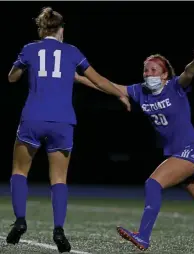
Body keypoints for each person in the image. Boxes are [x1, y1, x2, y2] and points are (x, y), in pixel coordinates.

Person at [75, 45, 194, 251]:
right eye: (146, 70)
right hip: (176, 154)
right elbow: (106, 85)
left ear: (165, 75)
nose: (148, 74)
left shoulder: (175, 87)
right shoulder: (140, 91)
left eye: (153, 70)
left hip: (189, 150)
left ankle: (143, 237)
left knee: (153, 184)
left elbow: (188, 73)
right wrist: (77, 78)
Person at [7, 7, 130, 253]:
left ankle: (20, 220)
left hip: (33, 118)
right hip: (62, 121)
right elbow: (99, 80)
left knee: (20, 171)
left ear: (41, 29)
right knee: (59, 178)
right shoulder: (72, 52)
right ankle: (59, 229)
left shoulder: (30, 49)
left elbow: (12, 77)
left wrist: (22, 67)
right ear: (61, 29)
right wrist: (121, 95)